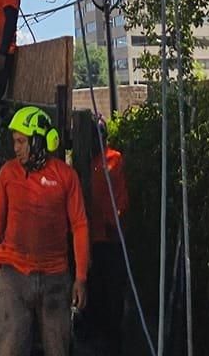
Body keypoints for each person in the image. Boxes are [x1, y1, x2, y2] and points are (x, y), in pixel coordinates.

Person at [0, 105, 88, 356]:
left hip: (55, 280)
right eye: (14, 141)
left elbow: (80, 226)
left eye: (21, 141)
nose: (16, 148)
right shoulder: (7, 174)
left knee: (58, 350)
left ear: (39, 140)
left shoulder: (66, 177)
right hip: (14, 278)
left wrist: (80, 278)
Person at [88, 118, 129, 355]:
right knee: (97, 293)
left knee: (113, 294)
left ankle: (114, 344)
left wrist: (116, 222)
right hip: (93, 240)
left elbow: (121, 196)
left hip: (112, 239)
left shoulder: (114, 159)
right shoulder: (87, 163)